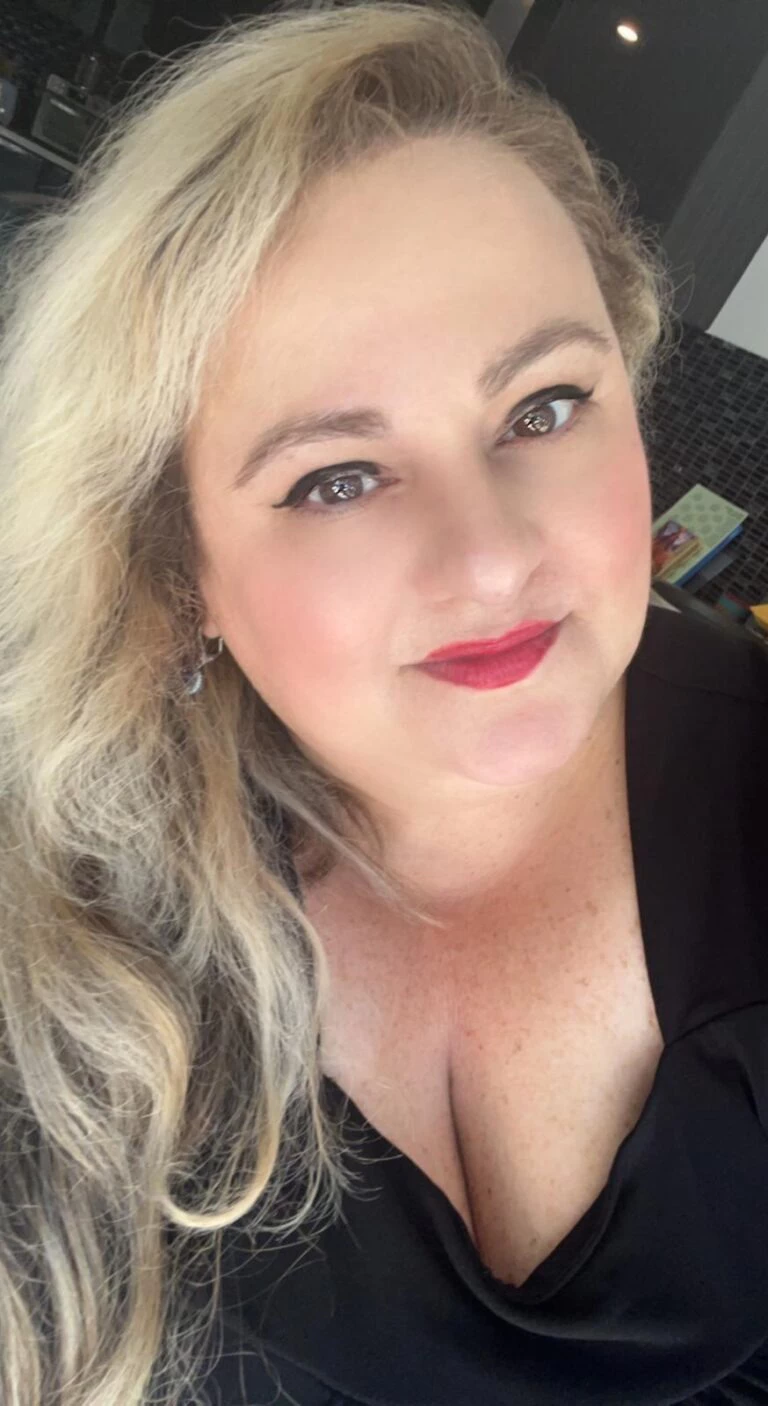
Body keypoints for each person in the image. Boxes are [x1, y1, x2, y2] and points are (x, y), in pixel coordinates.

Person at [1, 3, 768, 1403]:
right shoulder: (61, 929)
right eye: (336, 478)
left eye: (543, 407)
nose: (491, 560)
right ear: (176, 571)